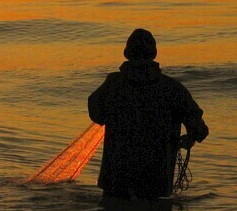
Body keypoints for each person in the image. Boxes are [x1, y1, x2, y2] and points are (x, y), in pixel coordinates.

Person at [88, 29, 209, 200]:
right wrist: (189, 139)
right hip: (156, 179)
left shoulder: (113, 84)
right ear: (154, 53)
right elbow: (199, 128)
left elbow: (96, 114)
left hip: (116, 178)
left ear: (127, 53)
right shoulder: (172, 88)